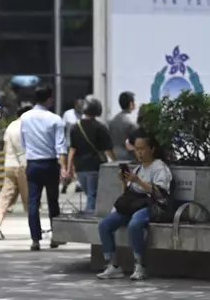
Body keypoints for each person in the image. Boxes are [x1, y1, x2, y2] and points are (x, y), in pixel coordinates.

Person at [97, 131, 172, 281]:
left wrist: (138, 181)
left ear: (152, 149)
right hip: (134, 204)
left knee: (135, 224)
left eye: (142, 149)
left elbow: (160, 192)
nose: (139, 153)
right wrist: (124, 181)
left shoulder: (159, 168)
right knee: (104, 225)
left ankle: (139, 265)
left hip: (151, 205)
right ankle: (112, 264)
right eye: (137, 149)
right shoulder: (138, 168)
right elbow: (127, 194)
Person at [20, 84, 67, 251]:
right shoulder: (55, 119)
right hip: (50, 163)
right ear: (49, 99)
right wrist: (63, 167)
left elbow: (24, 142)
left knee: (33, 202)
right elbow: (60, 146)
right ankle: (56, 237)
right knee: (53, 201)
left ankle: (35, 239)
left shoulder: (25, 118)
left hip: (33, 163)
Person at [67, 97, 116, 213]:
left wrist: (69, 168)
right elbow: (108, 150)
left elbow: (72, 149)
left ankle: (89, 216)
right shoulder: (100, 127)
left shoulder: (75, 127)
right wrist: (115, 162)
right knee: (92, 196)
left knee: (89, 194)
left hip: (80, 168)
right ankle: (90, 222)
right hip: (95, 167)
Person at [0, 104, 32, 241]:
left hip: (9, 165)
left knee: (5, 197)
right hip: (23, 166)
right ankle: (34, 230)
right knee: (29, 199)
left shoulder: (11, 126)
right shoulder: (26, 126)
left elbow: (5, 147)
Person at [61, 99, 84, 194]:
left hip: (80, 145)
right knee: (69, 167)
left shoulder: (84, 116)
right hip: (69, 145)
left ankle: (78, 184)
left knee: (78, 166)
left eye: (81, 106)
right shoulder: (68, 114)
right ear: (75, 105)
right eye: (79, 106)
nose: (80, 108)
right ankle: (65, 184)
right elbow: (63, 128)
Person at [108, 91, 138, 161]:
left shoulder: (112, 121)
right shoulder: (132, 121)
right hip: (129, 159)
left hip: (115, 158)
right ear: (131, 104)